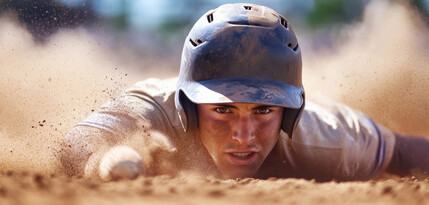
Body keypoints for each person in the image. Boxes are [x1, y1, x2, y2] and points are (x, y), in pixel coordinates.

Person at [59, 3, 429, 181]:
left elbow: (400, 150)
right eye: (223, 110)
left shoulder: (329, 138)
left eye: (263, 111)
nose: (244, 135)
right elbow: (79, 139)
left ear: (291, 113)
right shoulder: (153, 111)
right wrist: (107, 161)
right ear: (188, 105)